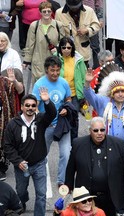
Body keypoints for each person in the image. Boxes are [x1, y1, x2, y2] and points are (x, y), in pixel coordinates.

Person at [65, 117, 124, 216]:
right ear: (90, 131)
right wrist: (68, 185)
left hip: (112, 195)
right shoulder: (78, 144)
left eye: (102, 130)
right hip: (88, 197)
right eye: (96, 130)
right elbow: (71, 167)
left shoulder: (118, 144)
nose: (99, 133)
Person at [4, 92, 57, 215]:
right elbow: (7, 146)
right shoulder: (13, 124)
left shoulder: (41, 120)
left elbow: (52, 114)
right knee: (21, 192)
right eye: (27, 105)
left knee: (41, 194)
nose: (30, 108)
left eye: (33, 106)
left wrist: (47, 101)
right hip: (22, 166)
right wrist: (18, 161)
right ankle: (22, 202)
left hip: (39, 164)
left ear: (36, 107)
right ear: (22, 107)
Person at [84, 69, 124, 159]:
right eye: (117, 92)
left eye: (123, 91)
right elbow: (90, 96)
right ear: (112, 94)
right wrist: (87, 83)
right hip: (105, 145)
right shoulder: (104, 102)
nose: (120, 94)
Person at [32, 56, 73, 187]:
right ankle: (41, 178)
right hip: (46, 126)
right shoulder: (39, 84)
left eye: (57, 70)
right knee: (42, 154)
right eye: (52, 70)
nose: (55, 73)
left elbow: (68, 100)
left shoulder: (64, 83)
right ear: (46, 70)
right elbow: (35, 105)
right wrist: (40, 118)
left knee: (66, 154)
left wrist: (66, 109)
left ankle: (61, 181)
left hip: (62, 124)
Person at [23, 1, 65, 84]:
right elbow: (29, 45)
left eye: (49, 11)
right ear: (40, 12)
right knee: (39, 87)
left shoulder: (58, 25)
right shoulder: (34, 26)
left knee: (53, 85)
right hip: (38, 62)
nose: (47, 13)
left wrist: (57, 49)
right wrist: (26, 61)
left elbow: (63, 43)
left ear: (51, 12)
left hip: (54, 61)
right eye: (44, 11)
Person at [56, 36, 86, 139]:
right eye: (63, 47)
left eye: (69, 48)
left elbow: (83, 77)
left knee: (74, 117)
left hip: (74, 95)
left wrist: (84, 95)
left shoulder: (78, 60)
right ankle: (62, 137)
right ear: (60, 48)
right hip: (60, 94)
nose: (66, 50)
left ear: (72, 48)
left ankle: (74, 141)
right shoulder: (55, 58)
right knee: (61, 115)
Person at [55, 0, 101, 66]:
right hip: (67, 53)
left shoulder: (89, 11)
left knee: (83, 74)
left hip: (83, 53)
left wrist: (87, 30)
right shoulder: (59, 13)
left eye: (76, 7)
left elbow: (96, 26)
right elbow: (57, 32)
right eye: (72, 7)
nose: (74, 9)